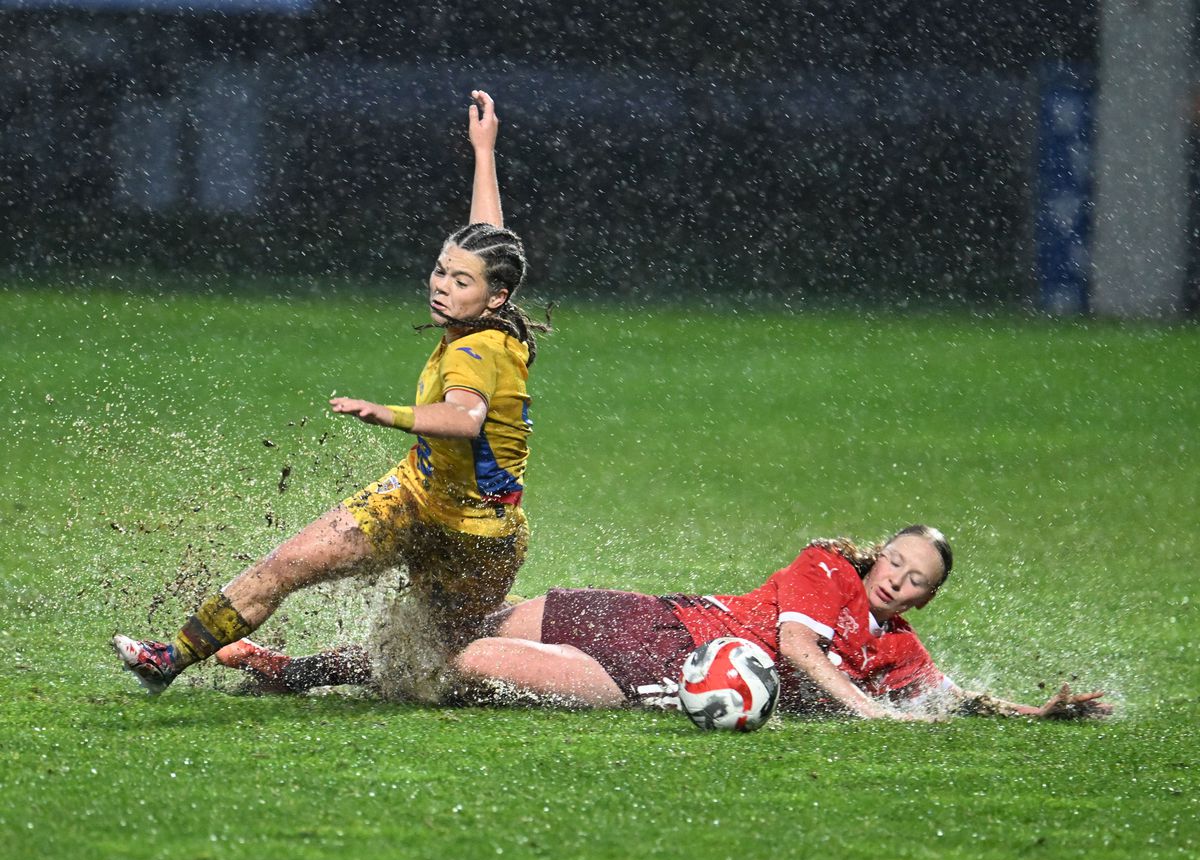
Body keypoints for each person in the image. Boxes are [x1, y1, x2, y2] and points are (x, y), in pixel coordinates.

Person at [113, 91, 549, 701]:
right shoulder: (489, 319)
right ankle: (170, 657)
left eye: (460, 280)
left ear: (495, 296)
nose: (442, 286)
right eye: (440, 271)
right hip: (415, 493)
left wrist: (387, 413)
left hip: (479, 535)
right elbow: (487, 240)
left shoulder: (478, 351)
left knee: (422, 672)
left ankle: (296, 673)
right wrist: (484, 152)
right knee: (287, 564)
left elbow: (464, 418)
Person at [218, 525, 1112, 720]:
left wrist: (1037, 714)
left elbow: (946, 697)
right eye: (898, 567)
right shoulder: (825, 568)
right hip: (651, 617)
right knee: (450, 633)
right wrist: (863, 709)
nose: (900, 587)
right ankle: (292, 668)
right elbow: (799, 646)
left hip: (670, 673)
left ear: (925, 599)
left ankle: (294, 671)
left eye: (918, 585)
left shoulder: (899, 647)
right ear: (878, 556)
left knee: (472, 664)